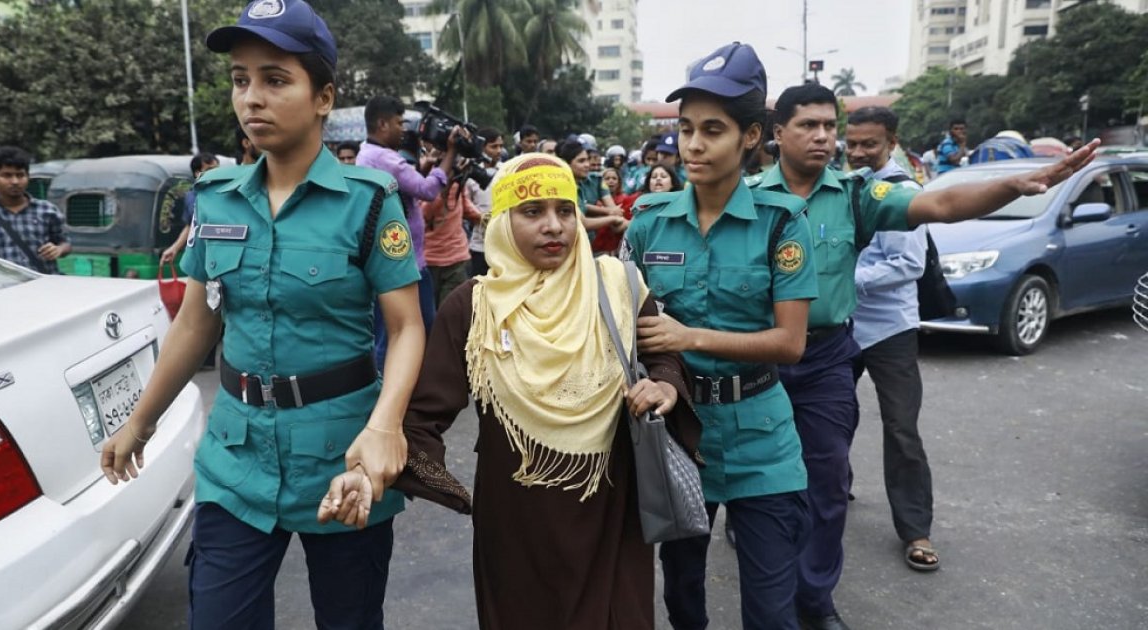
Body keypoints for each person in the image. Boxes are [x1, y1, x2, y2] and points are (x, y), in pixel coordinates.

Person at [98, 2, 426, 627]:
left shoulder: (367, 203)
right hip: (236, 457)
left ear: (323, 96)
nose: (252, 98)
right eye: (240, 79)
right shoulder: (217, 200)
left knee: (349, 619)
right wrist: (139, 421)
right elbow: (196, 324)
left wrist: (386, 427)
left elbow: (408, 326)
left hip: (344, 455)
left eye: (276, 79)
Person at [748, 83, 1098, 630]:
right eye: (807, 126)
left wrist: (1013, 186)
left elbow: (938, 202)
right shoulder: (747, 198)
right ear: (776, 134)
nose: (822, 136)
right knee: (765, 492)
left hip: (825, 361)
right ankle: (771, 607)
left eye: (828, 126)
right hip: (760, 360)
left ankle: (815, 602)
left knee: (827, 488)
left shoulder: (857, 194)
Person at [394, 152, 701, 629]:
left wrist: (664, 385)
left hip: (611, 507)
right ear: (500, 223)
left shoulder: (617, 284)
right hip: (516, 519)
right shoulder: (474, 306)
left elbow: (663, 353)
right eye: (532, 212)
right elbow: (425, 411)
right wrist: (421, 474)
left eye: (564, 210)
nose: (554, 226)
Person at [622, 42, 819, 630]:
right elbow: (623, 327)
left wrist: (689, 336)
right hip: (680, 434)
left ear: (751, 136)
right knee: (682, 597)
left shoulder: (782, 222)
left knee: (771, 612)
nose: (693, 145)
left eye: (713, 129)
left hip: (764, 438)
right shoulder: (648, 220)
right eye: (685, 129)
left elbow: (790, 343)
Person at [844, 106, 939, 572]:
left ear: (892, 142)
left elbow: (908, 266)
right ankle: (830, 488)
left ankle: (916, 528)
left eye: (870, 144)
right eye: (853, 143)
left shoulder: (903, 192)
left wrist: (845, 278)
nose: (859, 152)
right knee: (827, 417)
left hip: (889, 329)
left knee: (901, 428)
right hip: (841, 324)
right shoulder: (844, 187)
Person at [358, 94, 460, 365]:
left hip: (392, 261)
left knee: (390, 331)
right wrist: (450, 154)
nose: (403, 130)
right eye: (399, 123)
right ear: (383, 124)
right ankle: (398, 389)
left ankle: (393, 388)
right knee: (413, 329)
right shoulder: (386, 159)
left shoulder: (367, 153)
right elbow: (427, 191)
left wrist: (420, 168)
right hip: (407, 264)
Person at [0, 146, 71, 273]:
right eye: (6, 175)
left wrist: (59, 250)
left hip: (45, 287)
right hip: (6, 289)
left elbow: (66, 244)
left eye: (20, 175)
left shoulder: (47, 210)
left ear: (27, 176)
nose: (15, 181)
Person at [422, 166, 482, 306]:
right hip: (430, 259)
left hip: (457, 259)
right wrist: (445, 187)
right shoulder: (425, 177)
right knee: (430, 316)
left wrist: (482, 217)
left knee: (451, 312)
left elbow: (463, 203)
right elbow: (425, 215)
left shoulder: (458, 180)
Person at [558, 139, 626, 255]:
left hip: (586, 246)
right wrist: (612, 218)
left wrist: (613, 212)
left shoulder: (587, 182)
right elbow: (582, 223)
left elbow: (612, 209)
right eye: (581, 161)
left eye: (587, 160)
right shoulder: (564, 188)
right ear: (567, 164)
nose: (587, 165)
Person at [161, 152, 220, 265]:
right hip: (201, 254)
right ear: (197, 173)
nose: (216, 173)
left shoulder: (226, 192)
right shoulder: (191, 196)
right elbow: (191, 224)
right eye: (210, 169)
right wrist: (174, 248)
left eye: (217, 169)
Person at [468, 126, 505, 277]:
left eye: (501, 146)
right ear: (482, 148)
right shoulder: (470, 173)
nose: (498, 150)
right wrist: (479, 218)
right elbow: (465, 205)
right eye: (493, 146)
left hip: (504, 245)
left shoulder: (506, 171)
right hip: (480, 245)